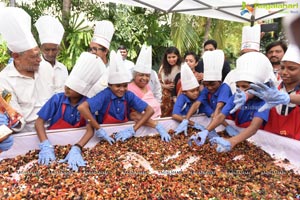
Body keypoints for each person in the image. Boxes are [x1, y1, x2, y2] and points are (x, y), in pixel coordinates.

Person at [188, 52, 272, 152]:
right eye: (238, 86)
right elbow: (221, 116)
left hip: (258, 138)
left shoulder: (263, 102)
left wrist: (232, 141)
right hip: (237, 130)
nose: (240, 90)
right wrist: (206, 131)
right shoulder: (236, 97)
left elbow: (254, 128)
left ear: (258, 87)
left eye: (245, 87)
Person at [36, 52, 106, 166]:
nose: (67, 89)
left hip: (77, 141)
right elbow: (39, 122)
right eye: (67, 86)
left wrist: (77, 148)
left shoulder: (87, 104)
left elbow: (89, 130)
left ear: (82, 91)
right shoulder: (57, 99)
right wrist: (45, 145)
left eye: (72, 88)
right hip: (52, 142)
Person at [77, 51, 157, 147]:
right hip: (106, 135)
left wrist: (133, 129)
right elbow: (82, 108)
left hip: (124, 133)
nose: (122, 89)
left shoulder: (128, 95)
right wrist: (98, 129)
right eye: (118, 86)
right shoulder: (105, 95)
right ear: (110, 85)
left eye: (125, 85)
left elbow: (150, 110)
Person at [0, 7, 53, 132]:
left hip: (54, 128)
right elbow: (17, 121)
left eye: (39, 54)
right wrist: (9, 122)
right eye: (34, 57)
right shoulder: (4, 81)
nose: (40, 60)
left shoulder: (45, 67)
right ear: (16, 57)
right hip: (27, 134)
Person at [175, 50, 238, 137]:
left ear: (219, 81)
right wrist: (186, 120)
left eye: (212, 84)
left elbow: (219, 108)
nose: (209, 87)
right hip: (213, 119)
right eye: (206, 84)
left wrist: (209, 130)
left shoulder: (224, 88)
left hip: (226, 120)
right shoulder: (206, 90)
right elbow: (197, 104)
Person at [248, 44, 300, 140]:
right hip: (271, 142)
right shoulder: (274, 86)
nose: (284, 72)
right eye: (282, 67)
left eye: (291, 69)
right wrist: (246, 95)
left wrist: (288, 98)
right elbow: (257, 91)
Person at [128, 45, 171, 141]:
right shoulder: (130, 89)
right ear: (134, 75)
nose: (144, 78)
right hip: (142, 130)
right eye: (141, 75)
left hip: (155, 127)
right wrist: (156, 125)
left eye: (147, 76)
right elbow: (134, 115)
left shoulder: (147, 86)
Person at [35, 15, 68, 93]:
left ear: (59, 49)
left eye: (54, 50)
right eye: (47, 50)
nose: (50, 53)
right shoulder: (35, 67)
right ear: (40, 49)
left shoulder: (62, 68)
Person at [172, 63, 206, 134]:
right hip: (181, 125)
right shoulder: (182, 98)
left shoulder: (199, 97)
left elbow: (207, 110)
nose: (196, 93)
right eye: (192, 91)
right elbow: (175, 115)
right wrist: (192, 123)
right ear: (184, 92)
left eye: (197, 90)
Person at [86, 20, 115, 98]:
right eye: (90, 49)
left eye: (95, 49)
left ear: (105, 51)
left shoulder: (112, 70)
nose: (92, 52)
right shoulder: (86, 67)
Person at [158, 46, 181, 117]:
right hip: (163, 98)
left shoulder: (182, 67)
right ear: (166, 57)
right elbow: (157, 82)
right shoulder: (162, 67)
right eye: (169, 57)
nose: (171, 59)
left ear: (178, 57)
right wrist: (165, 86)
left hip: (177, 97)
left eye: (174, 57)